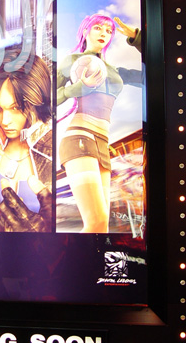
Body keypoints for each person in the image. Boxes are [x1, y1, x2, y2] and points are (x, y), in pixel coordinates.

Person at [57, 14, 143, 233]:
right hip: (80, 137)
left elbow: (150, 76)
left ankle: (86, 258)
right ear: (86, 30)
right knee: (96, 221)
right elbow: (49, 98)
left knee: (101, 226)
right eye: (98, 28)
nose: (104, 33)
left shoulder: (115, 72)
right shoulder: (71, 61)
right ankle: (67, 257)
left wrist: (137, 39)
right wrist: (79, 87)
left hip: (103, 144)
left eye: (108, 30)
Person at [0, 49, 52, 232]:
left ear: (38, 101)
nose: (4, 120)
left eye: (15, 108)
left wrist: (45, 235)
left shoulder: (55, 150)